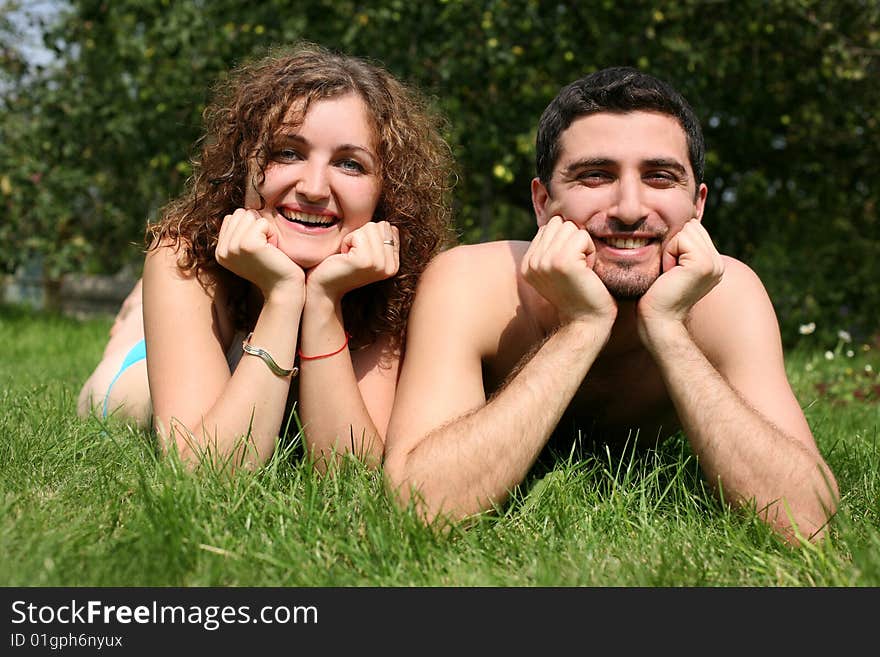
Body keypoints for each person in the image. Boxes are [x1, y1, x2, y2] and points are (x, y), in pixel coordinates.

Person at [384, 66, 838, 544]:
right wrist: (580, 327)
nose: (629, 207)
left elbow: (811, 522)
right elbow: (416, 511)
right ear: (542, 203)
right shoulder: (471, 283)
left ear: (697, 206)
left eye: (660, 177)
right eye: (595, 176)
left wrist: (667, 329)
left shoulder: (730, 296)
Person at [77, 42, 454, 471]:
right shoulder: (185, 258)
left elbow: (350, 472)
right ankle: (133, 326)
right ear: (243, 165)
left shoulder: (396, 282)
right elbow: (206, 470)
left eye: (350, 164)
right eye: (288, 153)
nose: (313, 188)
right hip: (135, 377)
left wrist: (324, 300)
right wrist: (283, 294)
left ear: (385, 189)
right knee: (109, 388)